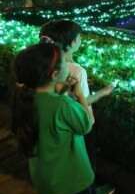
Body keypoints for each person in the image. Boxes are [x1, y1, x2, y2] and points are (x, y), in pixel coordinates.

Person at [11, 43, 114, 194]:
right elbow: (86, 125)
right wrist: (79, 93)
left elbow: (48, 107)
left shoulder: (25, 98)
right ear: (55, 74)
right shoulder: (62, 104)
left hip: (43, 177)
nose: (68, 63)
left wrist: (63, 89)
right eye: (65, 62)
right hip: (72, 180)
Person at [39, 20, 113, 171]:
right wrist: (103, 92)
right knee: (86, 156)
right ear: (72, 43)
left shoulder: (43, 63)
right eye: (79, 38)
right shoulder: (76, 71)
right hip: (78, 121)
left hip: (56, 126)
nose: (81, 40)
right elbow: (82, 102)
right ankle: (90, 189)